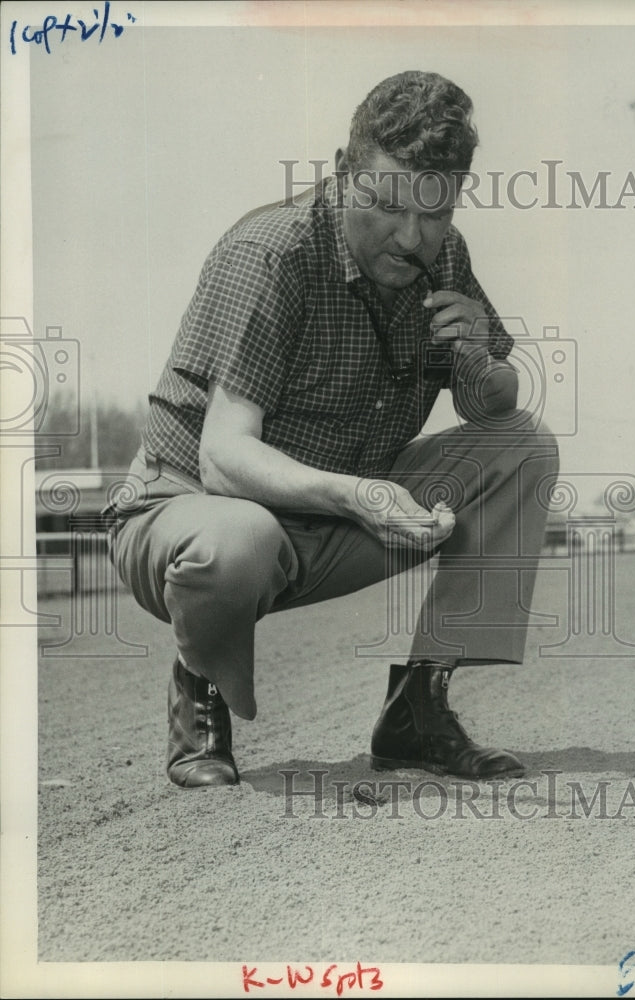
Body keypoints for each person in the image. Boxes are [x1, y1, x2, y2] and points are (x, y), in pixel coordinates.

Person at [108, 70, 559, 789]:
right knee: (239, 538)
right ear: (345, 172)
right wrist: (359, 496)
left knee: (525, 447)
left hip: (334, 514)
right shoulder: (273, 253)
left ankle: (418, 711)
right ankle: (203, 686)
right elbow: (224, 459)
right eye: (383, 204)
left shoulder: (443, 254)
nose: (410, 237)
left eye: (435, 213)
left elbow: (493, 408)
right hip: (194, 516)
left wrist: (478, 355)